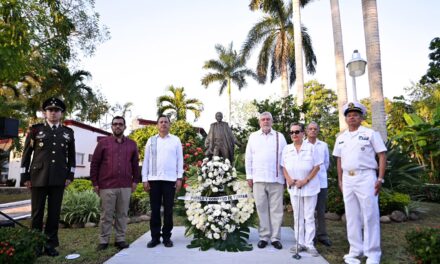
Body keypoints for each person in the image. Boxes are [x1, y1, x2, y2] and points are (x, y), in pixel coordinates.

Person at [20, 97, 76, 256]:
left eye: (56, 110)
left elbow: (71, 157)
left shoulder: (67, 132)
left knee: (54, 213)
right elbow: (26, 155)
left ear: (61, 113)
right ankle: (36, 244)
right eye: (50, 110)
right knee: (37, 214)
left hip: (59, 177)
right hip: (38, 177)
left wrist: (70, 175)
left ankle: (50, 245)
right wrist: (25, 177)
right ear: (45, 113)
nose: (53, 113)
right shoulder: (36, 130)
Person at [333, 102, 387, 264]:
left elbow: (382, 155)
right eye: (349, 115)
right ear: (346, 118)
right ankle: (355, 250)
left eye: (355, 115)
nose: (352, 118)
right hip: (348, 179)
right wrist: (340, 180)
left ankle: (373, 253)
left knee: (370, 215)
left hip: (366, 177)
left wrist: (380, 178)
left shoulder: (370, 134)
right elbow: (339, 160)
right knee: (352, 215)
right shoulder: (341, 138)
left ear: (361, 117)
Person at [90, 116, 140, 251]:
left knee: (122, 214)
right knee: (106, 214)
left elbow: (135, 165)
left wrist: (135, 180)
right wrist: (95, 183)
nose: (118, 126)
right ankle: (103, 240)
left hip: (125, 185)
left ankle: (120, 239)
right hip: (107, 185)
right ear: (112, 127)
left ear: (125, 127)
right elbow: (95, 164)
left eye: (120, 124)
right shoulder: (103, 143)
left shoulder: (132, 144)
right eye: (115, 124)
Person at [245, 112, 286, 250]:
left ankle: (275, 238)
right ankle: (264, 236)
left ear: (272, 121)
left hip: (276, 179)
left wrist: (286, 176)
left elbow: (285, 158)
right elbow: (248, 157)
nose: (266, 121)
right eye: (263, 119)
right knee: (261, 208)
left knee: (276, 210)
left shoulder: (280, 137)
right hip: (258, 178)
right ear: (259, 122)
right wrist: (249, 176)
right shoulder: (253, 137)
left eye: (268, 119)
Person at [142, 115, 183, 248]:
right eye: (161, 122)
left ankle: (166, 237)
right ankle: (155, 237)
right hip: (154, 180)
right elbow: (146, 160)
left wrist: (179, 178)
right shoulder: (151, 140)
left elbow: (179, 160)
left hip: (170, 180)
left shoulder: (175, 140)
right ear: (157, 125)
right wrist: (145, 179)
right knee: (155, 210)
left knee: (168, 210)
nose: (163, 124)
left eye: (166, 122)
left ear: (169, 125)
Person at [282, 123, 322, 257]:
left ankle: (309, 244)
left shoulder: (311, 148)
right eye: (291, 132)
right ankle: (299, 242)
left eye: (297, 132)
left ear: (303, 133)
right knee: (297, 216)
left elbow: (317, 167)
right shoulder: (287, 149)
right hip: (294, 187)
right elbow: (284, 167)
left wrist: (305, 180)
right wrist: (288, 179)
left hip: (309, 187)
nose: (294, 134)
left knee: (309, 216)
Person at [304, 121, 332, 247]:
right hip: (307, 182)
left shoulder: (323, 145)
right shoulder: (301, 144)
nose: (313, 131)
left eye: (315, 129)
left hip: (321, 182)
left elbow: (326, 163)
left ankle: (322, 235)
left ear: (318, 130)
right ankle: (311, 235)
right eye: (310, 128)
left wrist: (317, 175)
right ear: (306, 131)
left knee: (320, 210)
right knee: (308, 211)